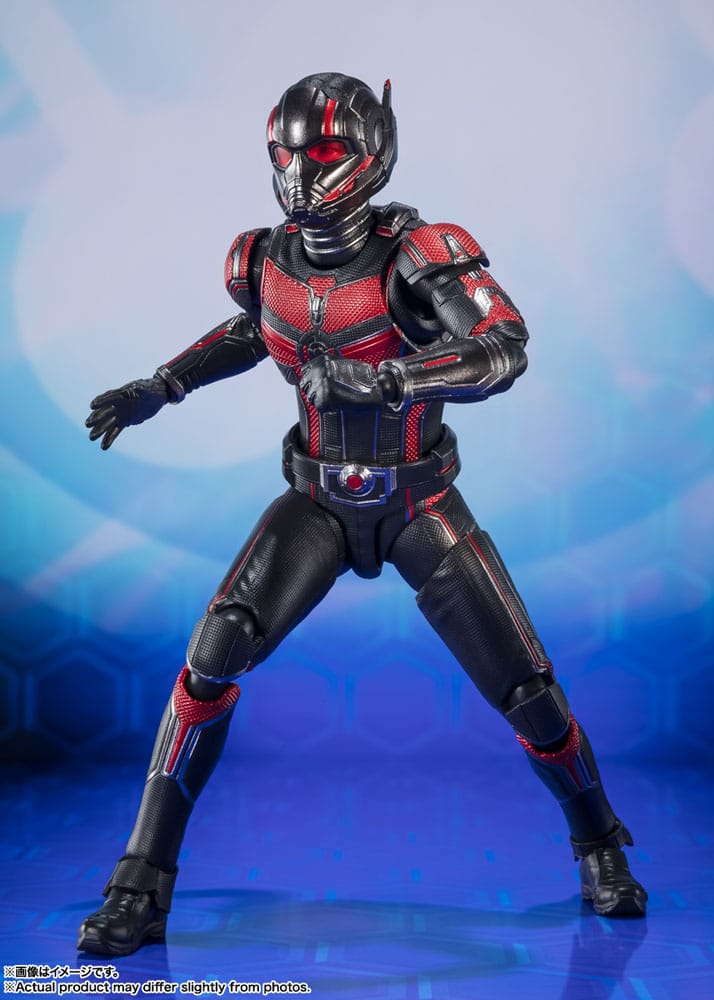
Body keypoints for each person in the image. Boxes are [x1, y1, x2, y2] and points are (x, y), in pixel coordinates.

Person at [79, 72, 646, 956]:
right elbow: (256, 330)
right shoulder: (263, 258)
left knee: (524, 686)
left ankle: (600, 843)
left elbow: (501, 348)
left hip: (418, 500)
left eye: (325, 152)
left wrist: (390, 378)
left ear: (372, 152)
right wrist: (163, 385)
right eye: (287, 153)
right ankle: (140, 884)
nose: (302, 173)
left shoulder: (419, 252)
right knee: (212, 653)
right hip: (317, 503)